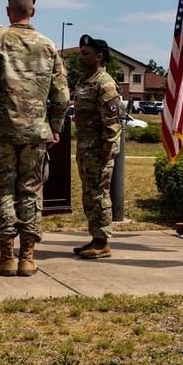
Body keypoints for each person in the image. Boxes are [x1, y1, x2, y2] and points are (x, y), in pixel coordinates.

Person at [0, 0, 68, 277]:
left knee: (2, 192)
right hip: (35, 135)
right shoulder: (48, 45)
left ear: (7, 11)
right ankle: (27, 258)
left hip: (2, 133)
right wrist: (55, 127)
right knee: (31, 192)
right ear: (33, 11)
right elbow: (62, 95)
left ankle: (7, 257)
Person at [72, 35, 122, 259]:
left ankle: (103, 242)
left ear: (99, 57)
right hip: (85, 148)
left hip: (99, 151)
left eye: (86, 54)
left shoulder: (105, 84)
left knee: (100, 195)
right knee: (89, 194)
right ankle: (95, 238)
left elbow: (112, 122)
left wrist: (107, 149)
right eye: (81, 53)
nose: (81, 57)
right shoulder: (84, 80)